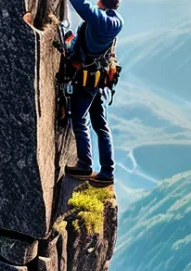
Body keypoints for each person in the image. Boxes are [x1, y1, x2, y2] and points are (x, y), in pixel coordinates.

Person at [64, 0, 124, 186]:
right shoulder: (118, 21)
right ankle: (107, 171)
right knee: (100, 125)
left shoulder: (99, 19)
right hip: (100, 77)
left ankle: (85, 165)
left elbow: (80, 5)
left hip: (86, 78)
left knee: (79, 119)